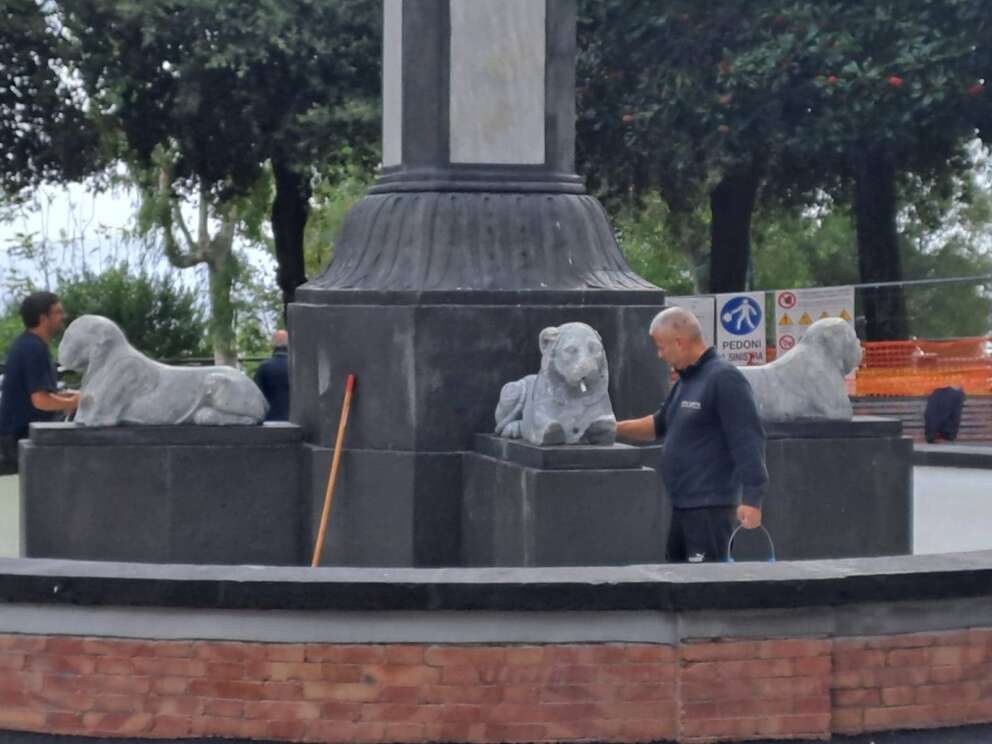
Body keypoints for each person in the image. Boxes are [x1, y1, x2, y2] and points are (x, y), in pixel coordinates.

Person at [617, 306, 769, 563]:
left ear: (680, 342)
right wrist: (613, 428)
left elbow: (749, 440)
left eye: (661, 347)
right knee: (678, 588)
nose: (659, 354)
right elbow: (658, 424)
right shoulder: (686, 381)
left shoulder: (724, 378)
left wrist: (752, 499)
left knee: (705, 594)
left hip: (710, 510)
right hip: (682, 507)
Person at [0, 292, 79, 474]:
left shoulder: (27, 344)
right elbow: (41, 401)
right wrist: (75, 402)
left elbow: (39, 396)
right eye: (58, 312)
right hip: (21, 442)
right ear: (44, 318)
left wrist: (68, 397)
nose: (63, 317)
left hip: (18, 438)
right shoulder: (34, 349)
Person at [254, 329, 290, 421]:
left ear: (272, 346)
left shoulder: (263, 368)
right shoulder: (299, 368)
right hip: (297, 422)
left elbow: (256, 398)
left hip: (270, 423)